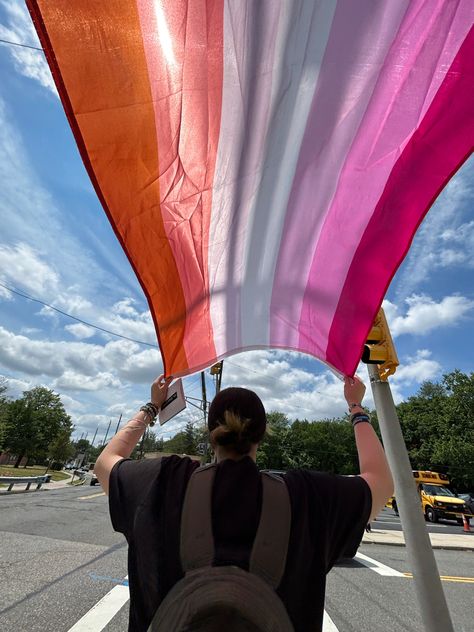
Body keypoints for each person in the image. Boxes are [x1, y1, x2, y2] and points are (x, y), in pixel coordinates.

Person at [95, 374, 393, 632]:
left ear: (211, 434)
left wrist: (152, 407)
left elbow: (105, 462)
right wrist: (356, 406)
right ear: (262, 434)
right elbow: (381, 481)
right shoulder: (306, 494)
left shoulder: (163, 480)